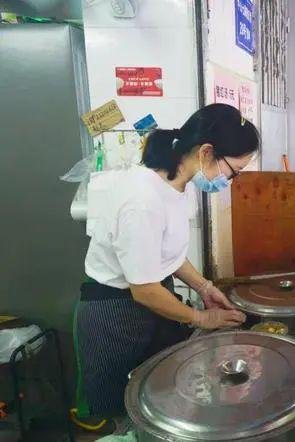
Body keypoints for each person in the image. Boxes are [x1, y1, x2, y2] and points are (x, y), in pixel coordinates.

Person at [76, 104, 258, 419]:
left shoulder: (177, 184)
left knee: (161, 398)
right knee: (128, 412)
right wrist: (200, 319)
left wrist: (204, 287)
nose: (231, 180)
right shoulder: (142, 200)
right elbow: (144, 289)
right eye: (234, 171)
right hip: (116, 315)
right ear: (206, 152)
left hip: (150, 299)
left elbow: (166, 254)